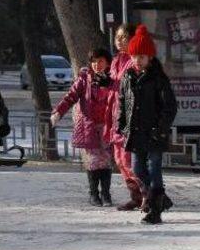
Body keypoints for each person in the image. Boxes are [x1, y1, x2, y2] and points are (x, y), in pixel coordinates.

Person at [118, 25, 177, 224]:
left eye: (142, 56)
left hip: (154, 133)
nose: (137, 60)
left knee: (154, 169)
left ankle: (155, 210)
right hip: (135, 133)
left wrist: (160, 129)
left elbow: (170, 107)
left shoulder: (159, 78)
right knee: (137, 169)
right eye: (134, 56)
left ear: (150, 57)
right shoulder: (127, 77)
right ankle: (161, 199)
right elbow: (122, 103)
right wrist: (121, 125)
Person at [51, 48, 115, 207]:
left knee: (106, 161)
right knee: (93, 161)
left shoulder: (113, 79)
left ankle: (106, 194)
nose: (96, 64)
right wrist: (58, 112)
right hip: (89, 127)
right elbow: (70, 96)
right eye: (94, 61)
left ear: (107, 62)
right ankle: (94, 194)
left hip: (107, 126)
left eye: (100, 61)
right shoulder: (84, 79)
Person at [104, 23, 145, 211]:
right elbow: (113, 84)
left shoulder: (135, 60)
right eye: (117, 37)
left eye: (124, 37)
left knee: (130, 161)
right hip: (115, 116)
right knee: (120, 160)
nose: (119, 41)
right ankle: (134, 196)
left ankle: (147, 195)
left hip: (130, 118)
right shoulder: (116, 60)